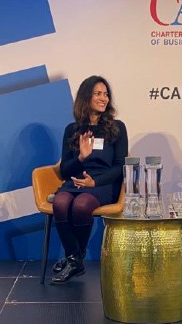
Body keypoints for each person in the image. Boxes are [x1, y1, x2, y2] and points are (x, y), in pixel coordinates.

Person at [49, 75, 127, 284]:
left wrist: (95, 183)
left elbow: (121, 166)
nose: (104, 99)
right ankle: (76, 259)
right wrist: (81, 157)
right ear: (86, 97)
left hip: (103, 184)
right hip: (75, 182)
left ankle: (73, 258)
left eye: (106, 94)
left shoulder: (117, 127)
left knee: (81, 205)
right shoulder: (72, 130)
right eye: (98, 94)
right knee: (60, 202)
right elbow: (65, 170)